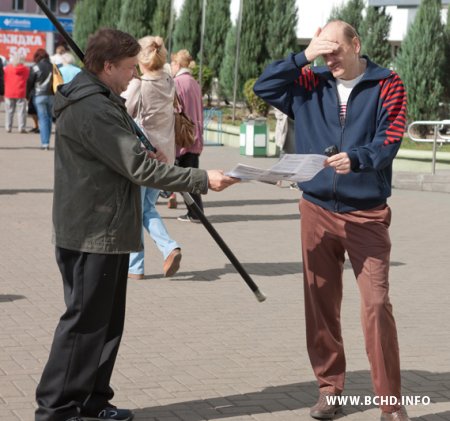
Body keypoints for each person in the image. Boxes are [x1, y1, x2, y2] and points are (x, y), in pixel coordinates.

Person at [34, 28, 237, 421]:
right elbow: (139, 167)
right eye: (129, 68)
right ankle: (56, 409)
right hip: (93, 232)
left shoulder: (105, 101)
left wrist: (141, 144)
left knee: (106, 326)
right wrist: (200, 179)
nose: (134, 76)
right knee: (83, 326)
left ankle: (92, 401)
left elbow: (130, 154)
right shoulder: (93, 108)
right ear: (107, 66)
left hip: (106, 230)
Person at [254, 20, 409, 421]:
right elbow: (264, 87)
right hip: (316, 209)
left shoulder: (388, 83)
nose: (330, 58)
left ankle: (390, 404)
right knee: (321, 305)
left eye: (335, 49)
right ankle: (330, 390)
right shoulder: (310, 80)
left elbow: (390, 138)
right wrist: (303, 56)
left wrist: (358, 158)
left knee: (376, 303)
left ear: (356, 44)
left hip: (366, 213)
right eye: (322, 52)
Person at [122, 35, 181, 280]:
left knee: (137, 210)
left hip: (144, 156)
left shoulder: (139, 85)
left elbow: (123, 116)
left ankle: (137, 266)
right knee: (147, 208)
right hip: (165, 154)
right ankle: (168, 249)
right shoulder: (169, 80)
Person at [170, 49, 204, 223]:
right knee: (192, 174)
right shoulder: (194, 82)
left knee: (185, 177)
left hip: (183, 137)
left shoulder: (177, 83)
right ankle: (196, 212)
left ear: (177, 64)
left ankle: (195, 213)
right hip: (195, 135)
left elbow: (175, 110)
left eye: (172, 63)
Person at [27, 48, 54, 150]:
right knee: (49, 118)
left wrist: (27, 95)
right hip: (51, 96)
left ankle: (45, 143)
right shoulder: (53, 67)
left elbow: (30, 82)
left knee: (42, 119)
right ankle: (47, 141)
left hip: (39, 95)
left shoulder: (35, 67)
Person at [3, 54, 30, 133]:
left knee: (9, 111)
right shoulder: (26, 69)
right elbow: (27, 79)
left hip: (9, 92)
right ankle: (21, 127)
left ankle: (8, 127)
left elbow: (5, 78)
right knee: (21, 111)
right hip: (20, 92)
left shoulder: (8, 68)